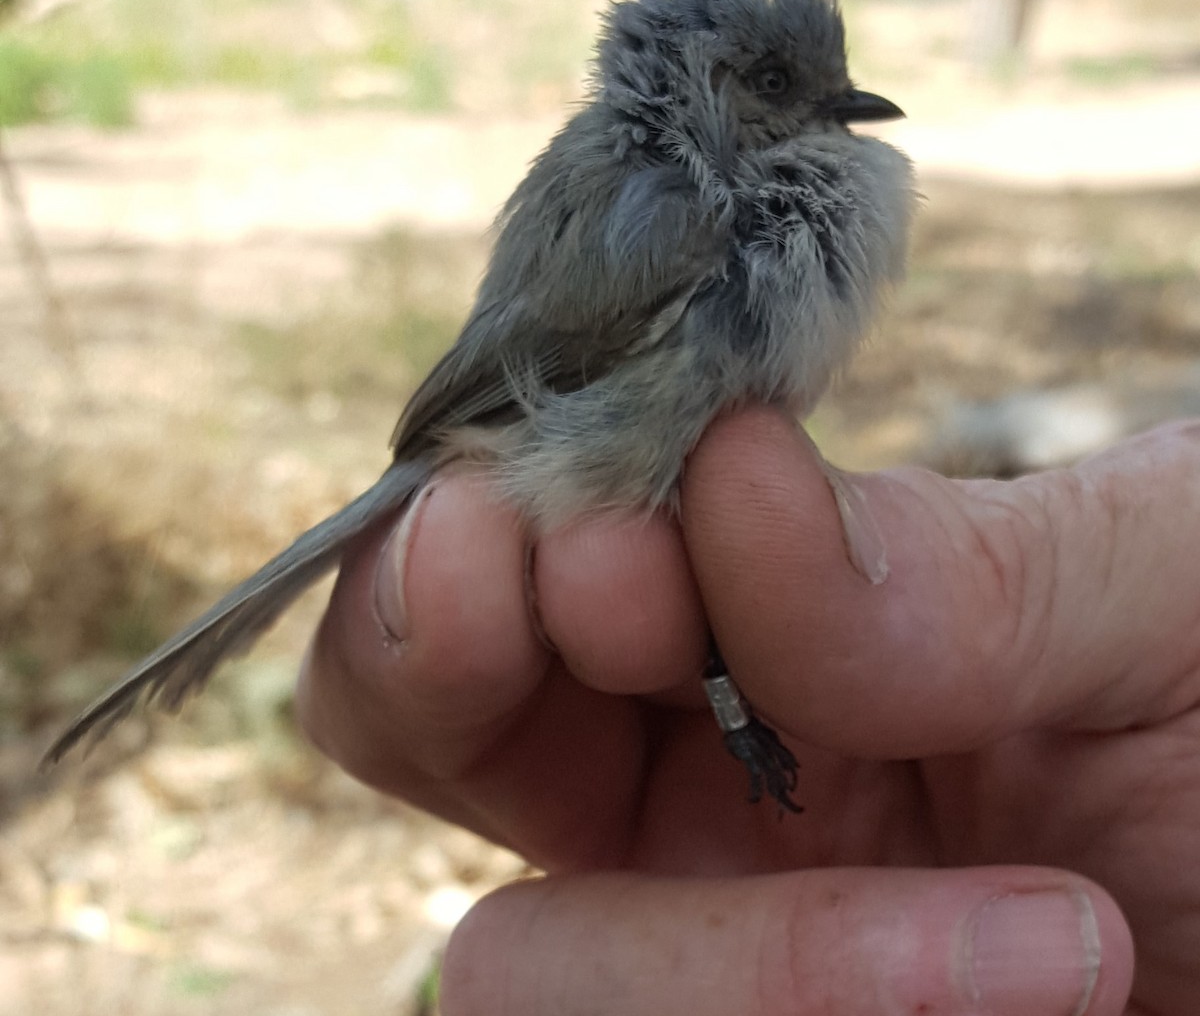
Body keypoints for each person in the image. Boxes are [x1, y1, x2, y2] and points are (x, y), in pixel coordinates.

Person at [296, 405, 1200, 1014]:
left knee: (665, 587)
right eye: (780, 101)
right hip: (587, 523)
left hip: (757, 667)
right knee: (642, 583)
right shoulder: (685, 212)